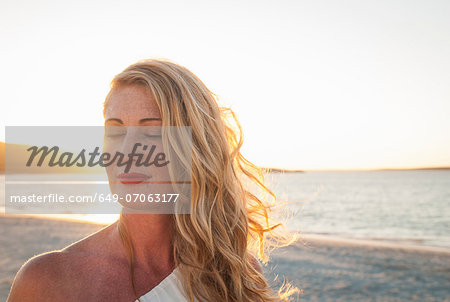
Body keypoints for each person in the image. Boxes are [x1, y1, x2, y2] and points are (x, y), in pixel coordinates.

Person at [7, 59, 299, 302]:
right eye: (115, 130)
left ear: (194, 148)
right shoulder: (48, 280)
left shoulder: (236, 274)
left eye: (152, 130)